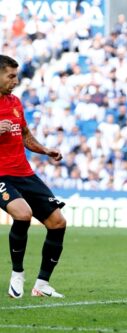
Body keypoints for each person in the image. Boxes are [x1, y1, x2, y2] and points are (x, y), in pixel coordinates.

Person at [0, 55, 66, 298]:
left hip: (24, 173)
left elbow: (25, 135)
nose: (15, 81)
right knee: (23, 214)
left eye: (16, 76)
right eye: (10, 76)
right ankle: (17, 275)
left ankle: (42, 284)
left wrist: (45, 149)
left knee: (58, 222)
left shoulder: (15, 102)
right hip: (1, 175)